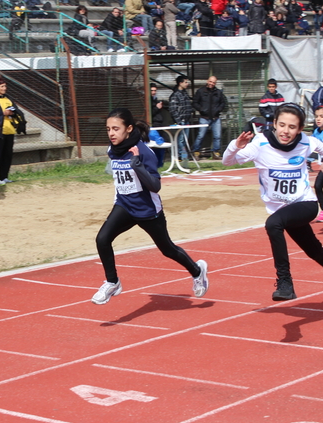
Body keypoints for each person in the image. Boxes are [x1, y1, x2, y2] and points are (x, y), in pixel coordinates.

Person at [222, 103, 323, 301]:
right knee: (312, 248)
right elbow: (227, 161)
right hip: (284, 208)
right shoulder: (260, 143)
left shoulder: (305, 142)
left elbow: (322, 147)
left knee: (273, 224)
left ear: (299, 129)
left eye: (292, 127)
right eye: (282, 125)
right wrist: (235, 147)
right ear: (274, 123)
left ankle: (285, 282)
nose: (285, 131)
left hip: (305, 203)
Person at [91, 108, 208, 305]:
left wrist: (136, 164)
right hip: (124, 206)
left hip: (147, 210)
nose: (111, 133)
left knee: (167, 249)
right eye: (108, 129)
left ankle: (197, 271)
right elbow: (120, 178)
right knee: (102, 239)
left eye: (116, 129)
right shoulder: (113, 150)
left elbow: (155, 186)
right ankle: (113, 282)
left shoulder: (145, 152)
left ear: (128, 129)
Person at [193, 76, 228, 159]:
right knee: (201, 135)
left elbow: (223, 103)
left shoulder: (218, 92)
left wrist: (218, 110)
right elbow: (195, 103)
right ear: (207, 81)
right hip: (204, 117)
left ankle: (216, 153)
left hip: (215, 118)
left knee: (217, 136)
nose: (212, 84)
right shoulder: (200, 91)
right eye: (210, 81)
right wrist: (201, 109)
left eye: (214, 82)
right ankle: (196, 152)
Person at [0, 79, 19, 183]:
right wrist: (3, 113)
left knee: (7, 155)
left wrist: (12, 112)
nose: (4, 89)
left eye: (5, 86)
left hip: (10, 130)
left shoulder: (8, 99)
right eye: (2, 87)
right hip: (0, 131)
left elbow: (14, 110)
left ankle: (4, 176)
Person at [169, 75, 192, 161]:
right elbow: (173, 109)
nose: (187, 84)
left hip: (187, 121)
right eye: (185, 82)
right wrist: (179, 121)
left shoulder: (185, 93)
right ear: (180, 83)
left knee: (185, 140)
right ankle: (182, 157)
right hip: (181, 121)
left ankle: (183, 156)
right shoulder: (175, 95)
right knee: (181, 140)